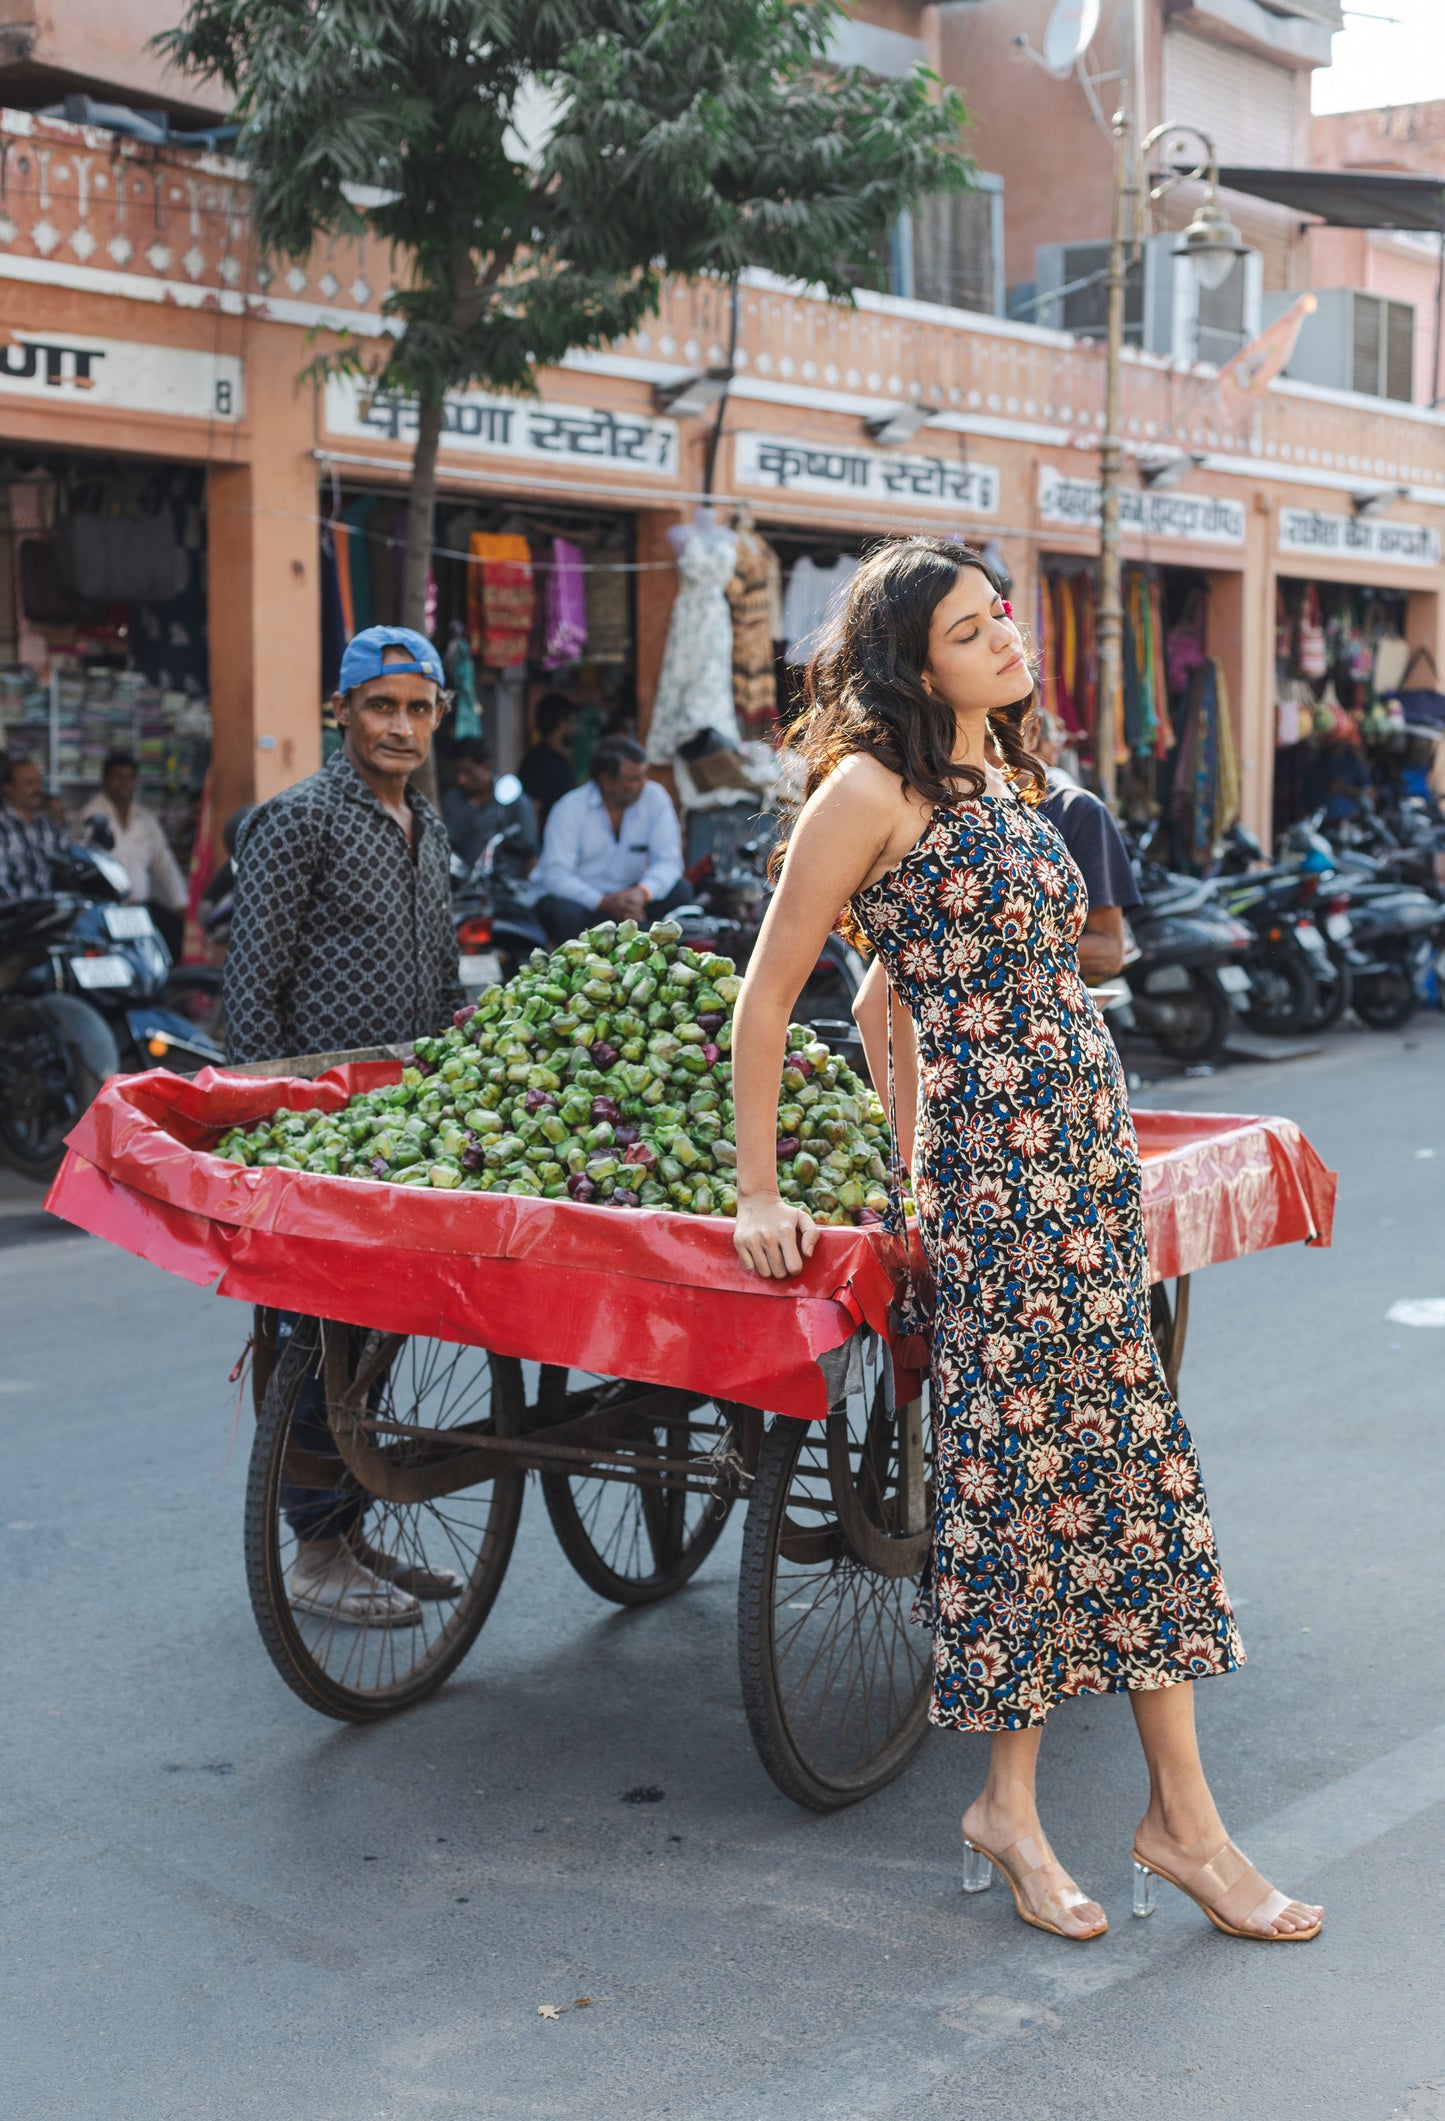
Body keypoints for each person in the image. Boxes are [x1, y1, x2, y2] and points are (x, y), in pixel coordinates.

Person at [730, 538, 1321, 1946]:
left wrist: (902, 1118)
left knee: (1119, 1475)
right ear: (906, 660)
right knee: (1032, 1481)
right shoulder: (862, 792)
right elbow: (770, 999)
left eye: (999, 614)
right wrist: (767, 1190)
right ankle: (1111, 1819)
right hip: (1004, 1194)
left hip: (1081, 1182)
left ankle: (1148, 1819)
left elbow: (892, 999)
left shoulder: (995, 779)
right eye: (967, 627)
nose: (1004, 635)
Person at [224, 624, 467, 1628]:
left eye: (417, 709)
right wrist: (268, 1126)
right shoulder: (298, 821)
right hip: (315, 1131)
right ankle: (316, 1552)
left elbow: (446, 981)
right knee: (310, 1346)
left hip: (400, 1128)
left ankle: (344, 1527)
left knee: (371, 1344)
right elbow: (251, 992)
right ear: (341, 712)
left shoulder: (430, 828)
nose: (400, 726)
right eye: (381, 706)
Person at [531, 734, 684, 944]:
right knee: (564, 913)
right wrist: (603, 902)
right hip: (586, 902)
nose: (643, 784)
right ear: (606, 780)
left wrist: (643, 893)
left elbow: (669, 861)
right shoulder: (569, 808)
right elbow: (556, 876)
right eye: (633, 778)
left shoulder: (655, 798)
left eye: (643, 775)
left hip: (631, 897)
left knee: (681, 891)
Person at [1029, 707, 1141, 982]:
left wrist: (1002, 957)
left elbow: (1110, 950)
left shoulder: (1076, 811)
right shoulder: (948, 808)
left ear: (1032, 733)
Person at [80, 751, 189, 956]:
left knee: (171, 941)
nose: (124, 783)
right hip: (106, 909)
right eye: (117, 777)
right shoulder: (93, 814)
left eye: (129, 777)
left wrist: (180, 904)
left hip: (139, 906)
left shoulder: (144, 818)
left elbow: (164, 864)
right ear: (105, 780)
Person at [441, 736, 538, 873]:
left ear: (487, 766)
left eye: (468, 771)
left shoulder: (514, 800)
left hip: (508, 886)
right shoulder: (452, 801)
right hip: (465, 887)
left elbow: (530, 854)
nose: (461, 779)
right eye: (457, 773)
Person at [0, 754, 67, 900]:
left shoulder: (49, 825)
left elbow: (65, 869)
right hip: (14, 915)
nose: (37, 788)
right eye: (29, 783)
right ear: (9, 788)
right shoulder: (3, 827)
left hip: (51, 913)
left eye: (39, 782)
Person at [519, 692, 578, 830]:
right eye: (573, 721)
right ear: (562, 724)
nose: (575, 728)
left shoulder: (559, 759)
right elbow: (533, 808)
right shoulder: (538, 761)